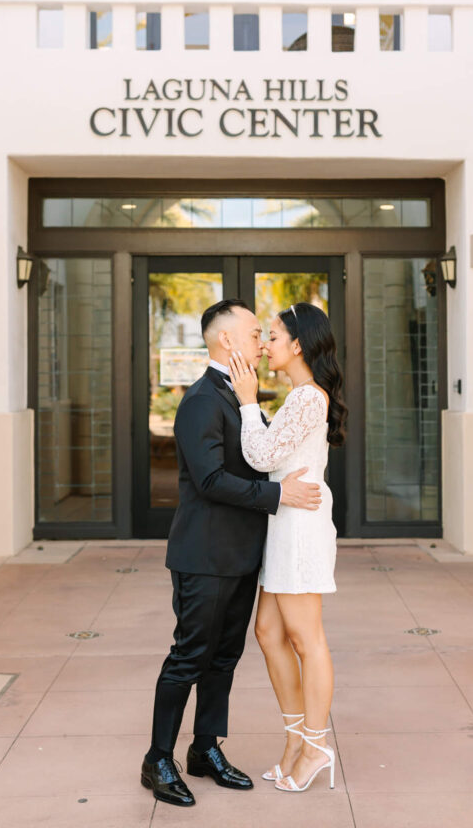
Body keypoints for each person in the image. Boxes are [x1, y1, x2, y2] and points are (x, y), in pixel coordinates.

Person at [141, 298, 322, 808]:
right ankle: (157, 758)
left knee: (224, 659)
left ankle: (204, 749)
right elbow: (211, 480)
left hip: (242, 554)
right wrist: (279, 496)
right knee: (189, 658)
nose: (262, 342)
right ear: (227, 340)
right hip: (204, 555)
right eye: (254, 333)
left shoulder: (240, 393)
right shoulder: (201, 399)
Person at [228, 301, 347, 794]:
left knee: (304, 636)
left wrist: (248, 401)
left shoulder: (307, 398)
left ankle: (316, 746)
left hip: (299, 529)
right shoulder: (300, 396)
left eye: (272, 336)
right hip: (284, 522)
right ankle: (296, 740)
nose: (265, 345)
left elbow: (259, 457)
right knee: (268, 631)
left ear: (298, 344)